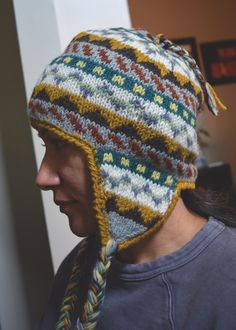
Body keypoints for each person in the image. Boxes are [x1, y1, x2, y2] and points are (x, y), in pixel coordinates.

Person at [28, 27, 236, 330]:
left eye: (59, 144)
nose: (42, 177)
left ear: (132, 157)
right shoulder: (77, 272)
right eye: (46, 144)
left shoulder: (228, 277)